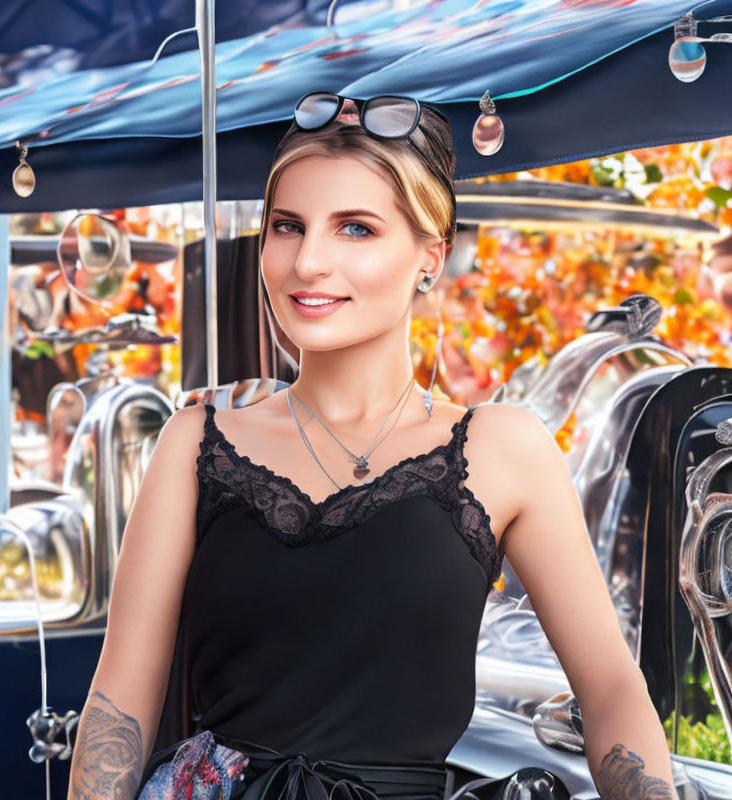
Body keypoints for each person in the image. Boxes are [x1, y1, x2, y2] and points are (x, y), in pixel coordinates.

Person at [66, 93, 679, 800]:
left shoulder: (504, 449)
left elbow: (609, 691)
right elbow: (118, 710)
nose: (310, 262)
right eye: (287, 227)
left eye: (355, 229)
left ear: (429, 256)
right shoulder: (195, 442)